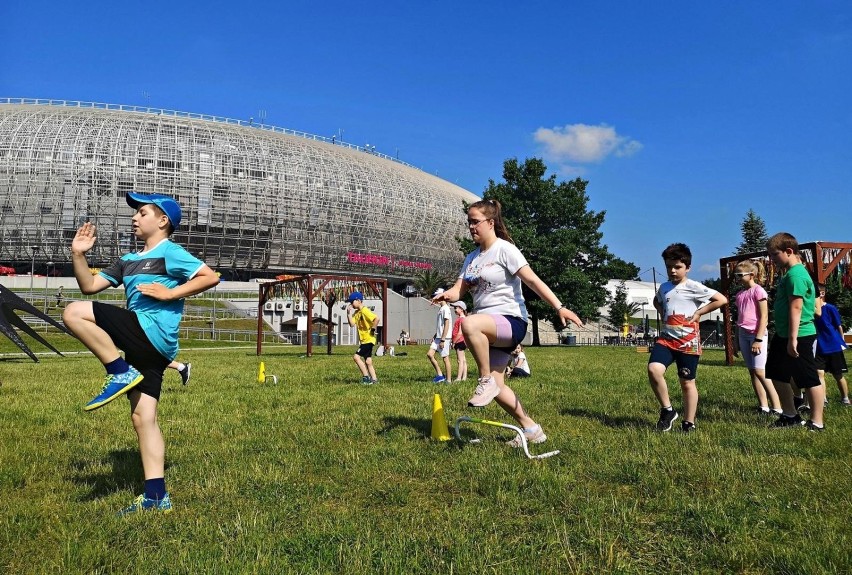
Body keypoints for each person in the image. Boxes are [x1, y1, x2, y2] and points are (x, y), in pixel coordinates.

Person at [62, 191, 220, 514]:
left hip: (152, 333)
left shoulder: (170, 253)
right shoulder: (127, 261)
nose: (135, 217)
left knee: (73, 313)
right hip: (147, 348)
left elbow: (210, 276)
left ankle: (118, 371)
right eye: (135, 213)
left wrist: (170, 292)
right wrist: (78, 255)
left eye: (143, 213)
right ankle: (156, 496)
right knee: (143, 418)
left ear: (163, 221)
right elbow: (89, 287)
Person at [433, 199, 583, 448]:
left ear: (490, 223)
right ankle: (532, 429)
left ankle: (484, 380)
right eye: (468, 222)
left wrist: (559, 306)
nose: (471, 227)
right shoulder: (472, 258)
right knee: (499, 388)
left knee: (468, 325)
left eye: (475, 222)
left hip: (511, 321)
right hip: (489, 327)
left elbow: (533, 281)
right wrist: (445, 295)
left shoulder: (505, 250)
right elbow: (458, 291)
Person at [648, 243, 727, 433]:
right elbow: (656, 300)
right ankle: (667, 410)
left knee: (687, 382)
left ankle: (688, 422)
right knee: (653, 369)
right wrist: (661, 311)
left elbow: (721, 299)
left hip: (688, 343)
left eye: (678, 267)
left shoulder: (694, 287)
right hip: (666, 340)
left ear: (688, 267)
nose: (673, 271)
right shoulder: (664, 287)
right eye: (669, 267)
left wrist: (700, 312)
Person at [765, 232, 825, 431]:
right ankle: (790, 415)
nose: (771, 259)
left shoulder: (797, 275)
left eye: (774, 255)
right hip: (784, 334)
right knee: (776, 372)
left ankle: (816, 422)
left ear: (789, 251)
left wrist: (792, 340)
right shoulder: (788, 274)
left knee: (808, 377)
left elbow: (796, 308)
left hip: (800, 335)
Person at [732, 259, 781, 415]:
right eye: (736, 275)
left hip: (756, 335)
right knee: (752, 371)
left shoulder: (759, 291)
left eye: (740, 275)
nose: (737, 278)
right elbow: (739, 318)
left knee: (760, 371)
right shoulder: (740, 294)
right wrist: (735, 340)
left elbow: (764, 317)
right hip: (743, 334)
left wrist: (759, 339)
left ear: (751, 275)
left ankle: (777, 407)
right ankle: (763, 405)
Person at [815, 285, 850, 406]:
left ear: (822, 294)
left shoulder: (830, 308)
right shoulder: (811, 310)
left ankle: (845, 399)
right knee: (819, 373)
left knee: (837, 374)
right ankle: (823, 400)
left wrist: (842, 342)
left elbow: (838, 326)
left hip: (833, 345)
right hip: (819, 346)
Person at [346, 291, 379, 385]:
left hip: (368, 340)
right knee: (368, 361)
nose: (351, 304)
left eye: (352, 302)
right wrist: (348, 313)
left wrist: (373, 329)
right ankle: (374, 380)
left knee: (356, 357)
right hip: (364, 340)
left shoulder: (365, 310)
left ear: (358, 300)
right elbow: (352, 324)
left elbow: (376, 319)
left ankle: (366, 378)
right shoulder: (357, 313)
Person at [427, 288, 453, 383]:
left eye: (436, 296)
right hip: (438, 337)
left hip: (444, 338)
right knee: (430, 354)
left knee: (445, 358)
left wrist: (442, 339)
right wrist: (435, 336)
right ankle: (440, 375)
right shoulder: (441, 309)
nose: (435, 298)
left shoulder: (446, 309)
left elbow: (447, 324)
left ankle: (449, 380)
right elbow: (440, 325)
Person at [451, 301, 468, 382]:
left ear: (461, 309)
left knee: (460, 360)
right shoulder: (462, 319)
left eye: (456, 308)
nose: (455, 309)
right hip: (461, 341)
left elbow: (460, 333)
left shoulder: (461, 319)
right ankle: (464, 377)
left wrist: (454, 342)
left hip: (459, 341)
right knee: (463, 360)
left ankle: (459, 378)